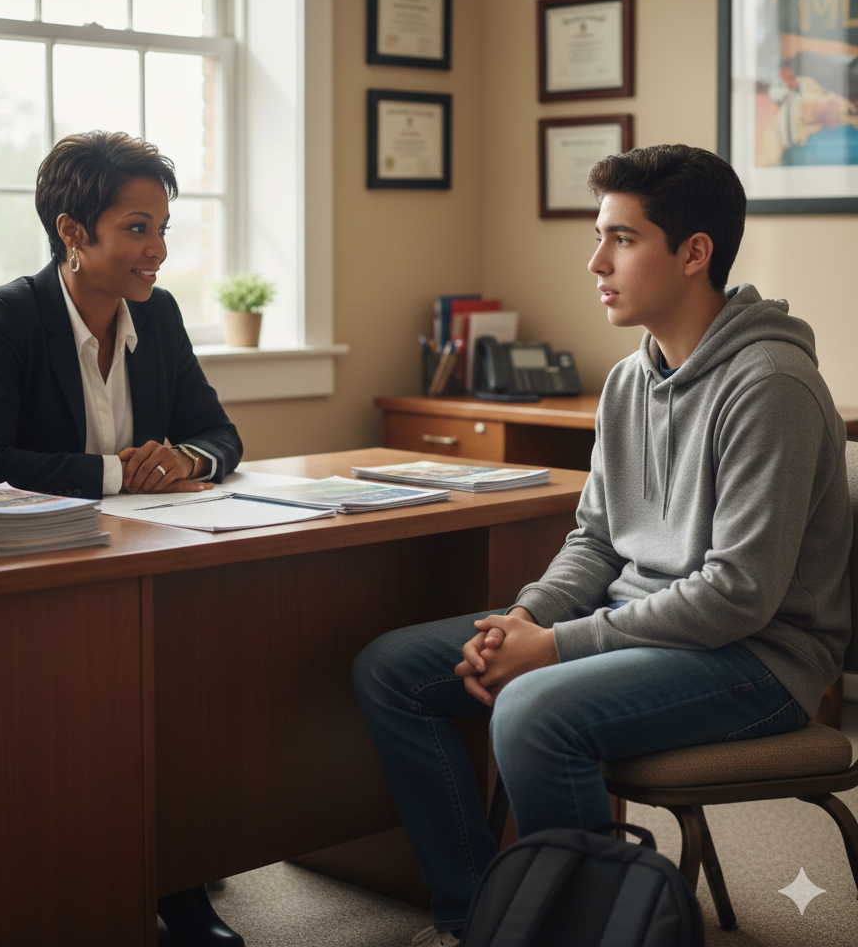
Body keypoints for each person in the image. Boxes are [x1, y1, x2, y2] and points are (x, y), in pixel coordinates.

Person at [353, 144, 852, 947]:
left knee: (533, 712)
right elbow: (596, 540)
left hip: (761, 659)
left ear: (695, 254)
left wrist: (552, 649)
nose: (596, 262)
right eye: (600, 235)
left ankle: (580, 933)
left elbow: (738, 594)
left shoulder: (772, 385)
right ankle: (487, 915)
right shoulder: (628, 381)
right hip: (649, 629)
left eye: (622, 239)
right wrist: (522, 621)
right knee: (393, 670)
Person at [0, 131, 245, 946]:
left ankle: (179, 884)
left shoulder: (161, 313)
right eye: (138, 228)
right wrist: (122, 473)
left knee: (196, 687)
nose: (158, 250)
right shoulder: (4, 316)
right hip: (37, 572)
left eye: (163, 227)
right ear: (73, 234)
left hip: (142, 555)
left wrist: (185, 456)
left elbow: (219, 434)